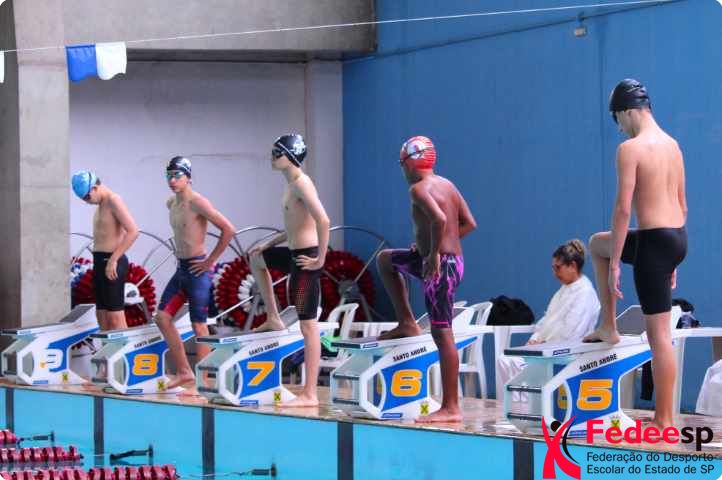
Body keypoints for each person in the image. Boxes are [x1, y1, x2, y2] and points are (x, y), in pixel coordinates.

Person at [584, 79, 687, 429]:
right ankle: (608, 326)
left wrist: (617, 262)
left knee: (659, 337)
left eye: (618, 120)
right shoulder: (673, 145)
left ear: (627, 112)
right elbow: (683, 204)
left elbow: (622, 210)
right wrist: (671, 260)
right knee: (596, 243)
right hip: (675, 238)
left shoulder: (631, 149)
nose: (619, 128)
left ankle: (664, 421)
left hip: (654, 243)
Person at [375, 136, 476, 423]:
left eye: (401, 164)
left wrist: (434, 254)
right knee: (386, 260)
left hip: (441, 267)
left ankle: (451, 407)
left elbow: (439, 220)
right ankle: (406, 322)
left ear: (410, 163)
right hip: (446, 261)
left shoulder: (418, 189)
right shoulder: (448, 185)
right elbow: (469, 223)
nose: (402, 170)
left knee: (442, 333)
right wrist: (431, 249)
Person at [248, 134, 330, 407]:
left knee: (308, 325)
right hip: (295, 254)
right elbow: (295, 226)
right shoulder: (291, 185)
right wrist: (269, 244)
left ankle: (310, 394)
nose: (272, 157)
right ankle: (273, 317)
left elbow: (323, 220)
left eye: (277, 153)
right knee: (256, 259)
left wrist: (320, 260)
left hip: (307, 259)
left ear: (290, 155)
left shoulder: (302, 184)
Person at [156, 156, 235, 393]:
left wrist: (210, 261)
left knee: (199, 326)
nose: (172, 180)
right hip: (181, 270)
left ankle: (204, 381)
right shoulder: (171, 203)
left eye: (177, 175)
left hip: (198, 270)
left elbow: (228, 229)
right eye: (169, 176)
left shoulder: (198, 203)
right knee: (162, 318)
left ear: (188, 177)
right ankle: (184, 372)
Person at [496, 239, 600, 387]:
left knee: (515, 363)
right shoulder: (562, 291)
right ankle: (515, 401)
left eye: (558, 268)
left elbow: (572, 333)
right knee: (504, 360)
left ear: (573, 266)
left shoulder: (585, 293)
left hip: (568, 353)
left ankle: (529, 401)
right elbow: (546, 321)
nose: (555, 273)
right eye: (553, 268)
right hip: (548, 348)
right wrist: (534, 340)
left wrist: (543, 344)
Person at [72, 170, 139, 331]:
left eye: (87, 197)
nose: (87, 202)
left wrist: (113, 260)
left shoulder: (113, 200)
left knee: (115, 318)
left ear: (95, 188)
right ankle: (106, 349)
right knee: (101, 316)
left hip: (112, 262)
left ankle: (124, 348)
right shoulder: (101, 205)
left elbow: (133, 231)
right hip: (100, 262)